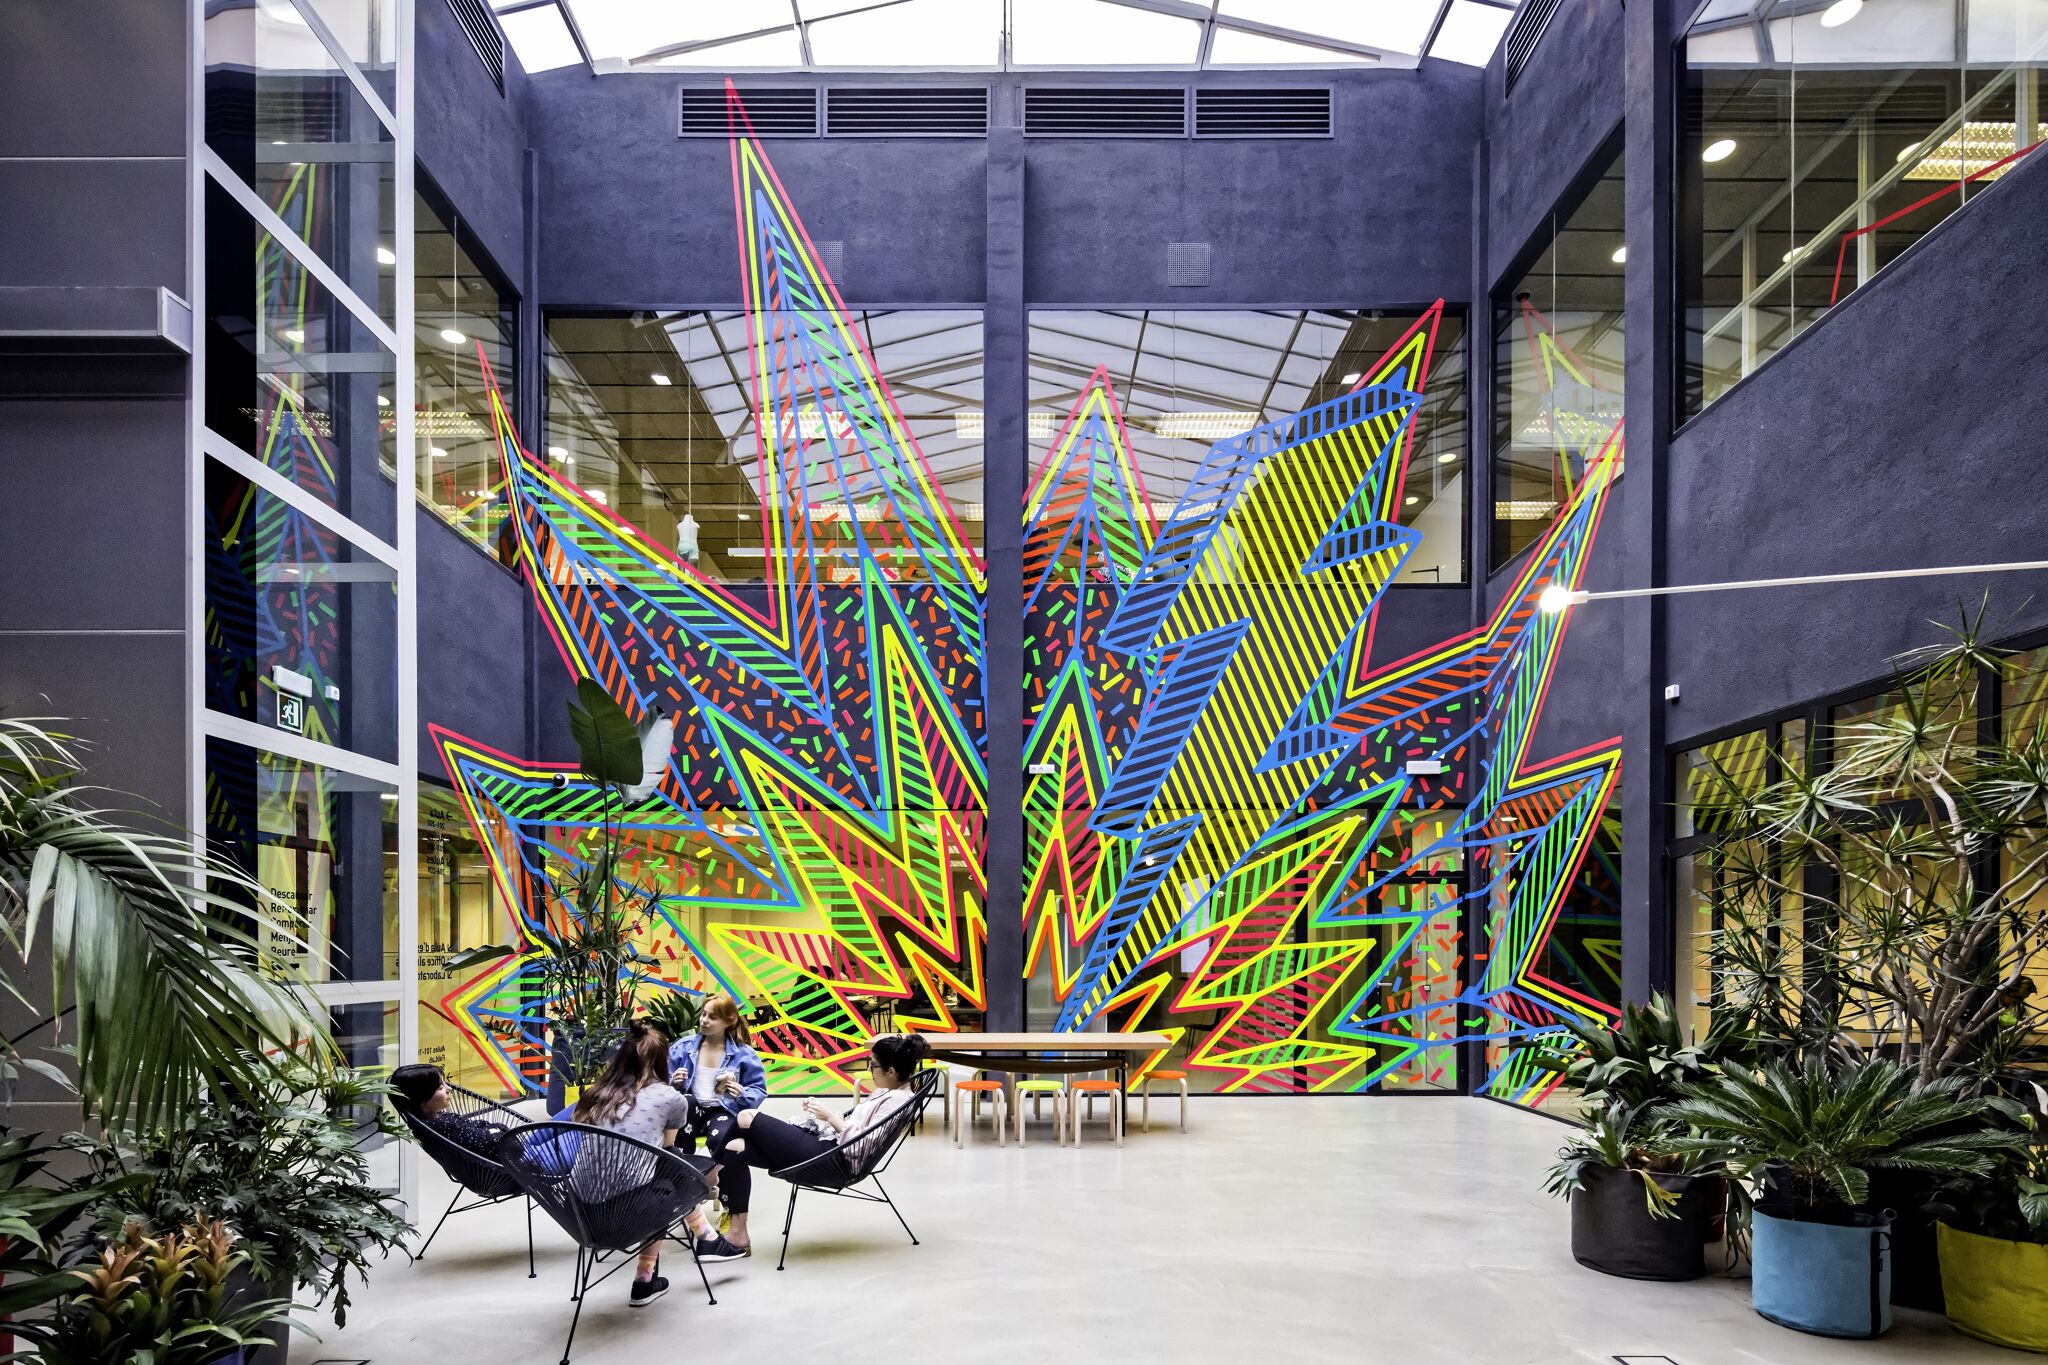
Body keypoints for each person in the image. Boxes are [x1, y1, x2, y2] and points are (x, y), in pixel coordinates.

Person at [570, 1021, 746, 1307]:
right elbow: (669, 1152)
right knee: (673, 1175)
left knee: (659, 1175)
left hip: (578, 1212)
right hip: (627, 1215)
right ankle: (646, 1278)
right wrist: (707, 1179)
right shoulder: (669, 1098)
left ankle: (708, 1238)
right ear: (662, 1061)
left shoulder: (592, 1096)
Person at [730, 1032, 930, 1184]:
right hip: (829, 1149)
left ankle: (708, 1181)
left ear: (892, 1071)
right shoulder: (889, 1091)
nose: (869, 1069)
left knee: (747, 1116)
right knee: (734, 1148)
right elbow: (857, 1127)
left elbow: (863, 1145)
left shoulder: (897, 1100)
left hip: (835, 1160)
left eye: (873, 1065)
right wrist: (827, 1115)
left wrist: (830, 1117)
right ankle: (736, 1223)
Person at [666, 995, 767, 1255]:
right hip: (692, 1109)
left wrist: (740, 1092)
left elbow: (759, 1091)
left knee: (724, 1139)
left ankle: (721, 1193)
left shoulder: (744, 1054)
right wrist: (672, 1082)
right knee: (683, 1111)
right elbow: (659, 1084)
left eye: (712, 1016)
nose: (704, 1020)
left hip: (724, 1108)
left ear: (729, 1021)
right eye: (703, 1014)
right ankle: (686, 1194)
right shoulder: (683, 1047)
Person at [390, 1063, 515, 1156]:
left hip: (500, 1165)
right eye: (440, 1088)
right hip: (510, 1172)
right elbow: (492, 1144)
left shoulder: (431, 1121)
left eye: (445, 1083)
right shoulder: (444, 1125)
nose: (449, 1088)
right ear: (421, 1100)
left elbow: (476, 1128)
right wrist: (500, 1128)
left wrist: (493, 1130)